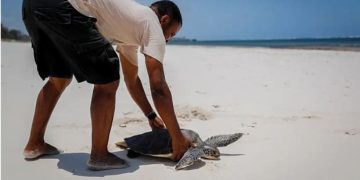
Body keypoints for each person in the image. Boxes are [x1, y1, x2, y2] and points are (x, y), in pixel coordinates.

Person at [22, 0, 192, 171]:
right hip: (64, 7)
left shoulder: (131, 27)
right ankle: (99, 155)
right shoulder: (151, 23)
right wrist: (177, 138)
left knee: (59, 78)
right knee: (108, 76)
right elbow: (159, 89)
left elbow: (132, 81)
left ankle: (34, 144)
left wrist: (150, 115)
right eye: (171, 33)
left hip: (33, 6)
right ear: (164, 19)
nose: (168, 39)